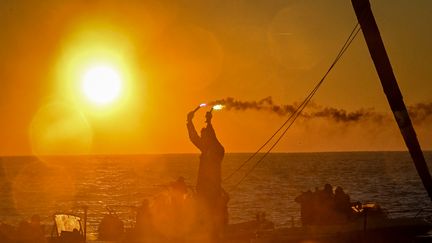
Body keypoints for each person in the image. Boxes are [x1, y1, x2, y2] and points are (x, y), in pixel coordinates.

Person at [187, 107, 226, 240]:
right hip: (203, 189)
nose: (201, 139)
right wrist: (189, 122)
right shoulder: (205, 148)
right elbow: (193, 137)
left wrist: (209, 123)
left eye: (204, 136)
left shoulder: (217, 150)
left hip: (213, 191)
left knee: (213, 219)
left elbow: (212, 137)